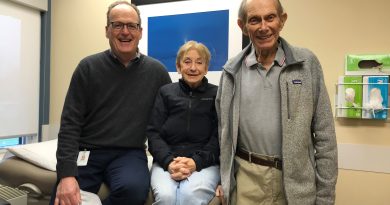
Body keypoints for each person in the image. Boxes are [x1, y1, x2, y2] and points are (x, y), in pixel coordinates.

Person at [216, 0, 338, 204]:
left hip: (295, 184)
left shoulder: (306, 64)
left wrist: (325, 196)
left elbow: (325, 136)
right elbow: (223, 134)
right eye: (254, 20)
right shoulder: (231, 72)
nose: (264, 27)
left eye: (270, 17)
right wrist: (224, 180)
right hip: (246, 181)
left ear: (282, 20)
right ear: (243, 26)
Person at [51, 1, 171, 205]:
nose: (125, 32)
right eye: (117, 25)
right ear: (107, 30)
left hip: (129, 152)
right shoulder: (87, 68)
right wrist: (66, 174)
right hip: (87, 152)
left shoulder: (157, 72)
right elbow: (70, 124)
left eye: (131, 26)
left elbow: (171, 119)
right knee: (65, 199)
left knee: (133, 191)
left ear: (140, 32)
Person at [147, 40, 220, 205]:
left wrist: (196, 162)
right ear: (178, 66)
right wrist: (169, 162)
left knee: (190, 196)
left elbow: (220, 137)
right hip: (167, 161)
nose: (193, 67)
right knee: (166, 196)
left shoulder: (217, 94)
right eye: (187, 62)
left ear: (206, 68)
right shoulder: (165, 93)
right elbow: (154, 134)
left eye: (199, 62)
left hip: (205, 163)